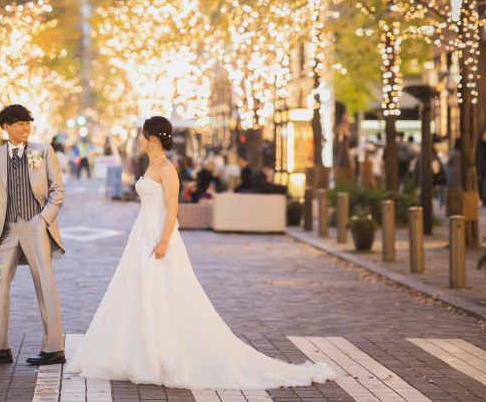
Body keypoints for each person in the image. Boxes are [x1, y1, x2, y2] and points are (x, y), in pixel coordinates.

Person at [66, 116, 335, 390]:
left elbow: (172, 208)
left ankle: (160, 353)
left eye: (142, 135)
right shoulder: (153, 166)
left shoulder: (167, 168)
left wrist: (164, 241)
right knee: (140, 291)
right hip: (141, 235)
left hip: (158, 235)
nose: (139, 139)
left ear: (153, 138)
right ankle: (140, 350)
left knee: (164, 290)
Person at [0, 104, 66, 367]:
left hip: (36, 226)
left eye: (28, 123)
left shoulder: (44, 151)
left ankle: (55, 348)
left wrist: (42, 219)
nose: (26, 128)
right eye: (20, 124)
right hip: (7, 229)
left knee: (44, 283)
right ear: (6, 127)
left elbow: (57, 190)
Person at [477, 131, 486, 206]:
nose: (485, 137)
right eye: (484, 135)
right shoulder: (479, 144)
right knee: (480, 183)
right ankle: (482, 197)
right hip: (480, 167)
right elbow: (477, 156)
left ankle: (485, 199)